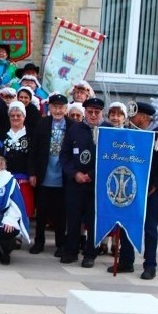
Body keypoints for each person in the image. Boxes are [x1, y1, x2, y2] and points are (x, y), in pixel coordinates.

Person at [108, 101, 158, 279]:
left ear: (144, 117)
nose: (131, 118)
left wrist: (156, 184)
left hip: (151, 190)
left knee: (149, 228)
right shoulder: (130, 132)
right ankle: (126, 260)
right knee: (125, 223)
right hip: (130, 187)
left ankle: (150, 265)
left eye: (135, 115)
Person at [60, 97, 105, 267]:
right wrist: (75, 173)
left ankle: (90, 254)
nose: (93, 115)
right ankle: (71, 251)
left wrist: (92, 174)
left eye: (96, 112)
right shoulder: (75, 129)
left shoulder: (107, 130)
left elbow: (109, 159)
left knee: (93, 220)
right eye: (90, 112)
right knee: (73, 218)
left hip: (96, 183)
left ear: (101, 113)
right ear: (85, 112)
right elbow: (65, 155)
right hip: (76, 182)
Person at [27, 93, 73, 256]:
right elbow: (33, 150)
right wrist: (32, 173)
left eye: (61, 108)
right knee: (41, 212)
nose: (58, 111)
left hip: (63, 176)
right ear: (50, 108)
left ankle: (61, 244)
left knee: (61, 214)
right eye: (55, 107)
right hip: (44, 174)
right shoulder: (42, 123)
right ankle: (39, 242)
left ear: (66, 109)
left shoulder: (72, 125)